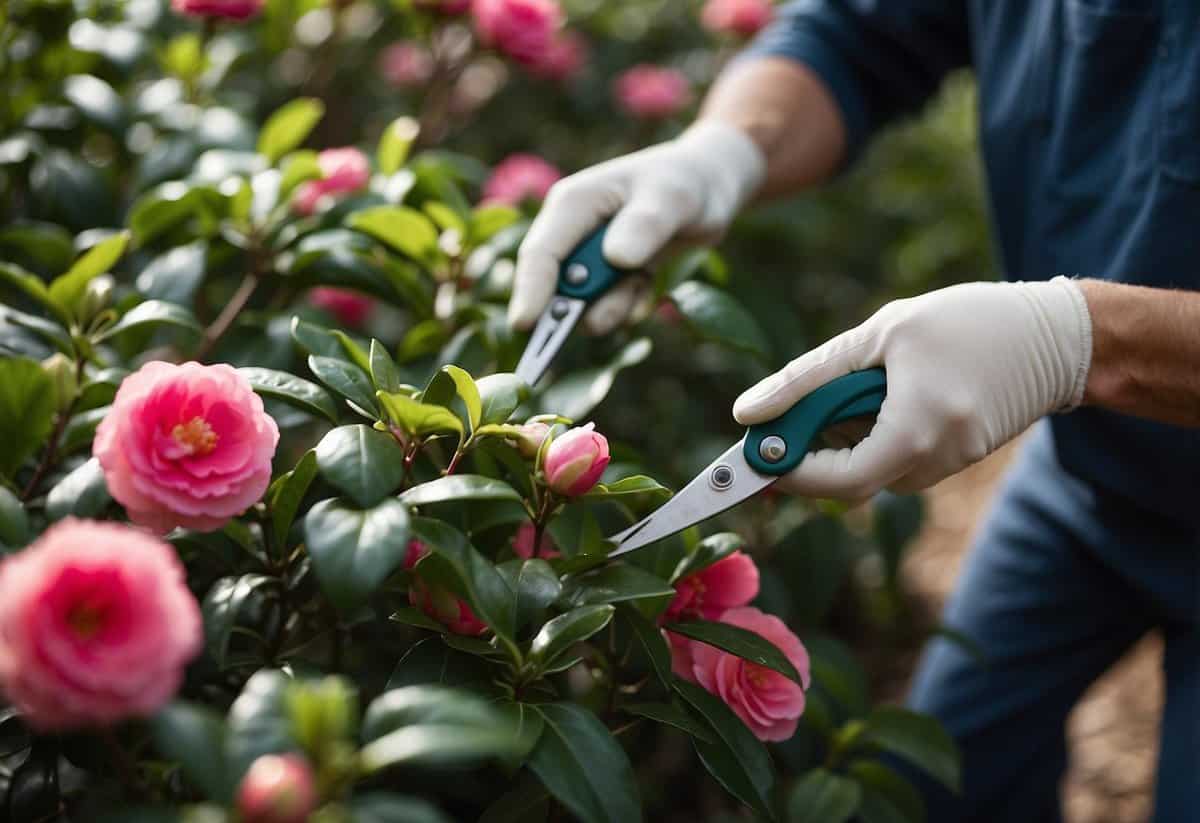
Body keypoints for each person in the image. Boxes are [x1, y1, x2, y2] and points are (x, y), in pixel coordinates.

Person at [506, 2, 1200, 821]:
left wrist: (1081, 342)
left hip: (1100, 401)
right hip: (1090, 473)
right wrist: (725, 150)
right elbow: (858, 36)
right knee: (926, 789)